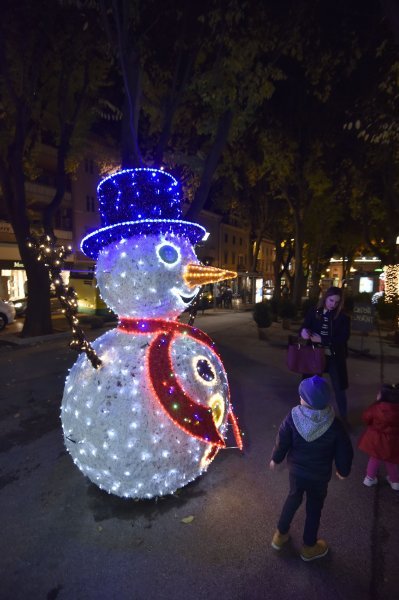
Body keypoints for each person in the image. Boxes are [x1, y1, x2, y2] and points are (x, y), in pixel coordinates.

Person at [270, 375, 353, 561]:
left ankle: (280, 534)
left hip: (297, 473)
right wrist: (343, 470)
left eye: (301, 396)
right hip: (319, 477)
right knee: (314, 509)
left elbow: (282, 440)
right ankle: (309, 547)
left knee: (292, 499)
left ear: (305, 399)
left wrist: (276, 459)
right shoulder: (334, 424)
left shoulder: (292, 417)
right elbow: (344, 450)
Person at [300, 286, 351, 423]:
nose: (333, 304)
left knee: (338, 387)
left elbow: (343, 338)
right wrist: (304, 332)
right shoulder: (314, 312)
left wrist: (323, 339)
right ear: (325, 298)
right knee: (312, 386)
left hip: (334, 357)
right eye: (331, 300)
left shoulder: (343, 318)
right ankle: (310, 416)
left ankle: (344, 418)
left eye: (336, 302)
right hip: (315, 355)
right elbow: (305, 326)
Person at [358, 383, 399, 490]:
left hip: (376, 440)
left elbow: (366, 417)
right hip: (393, 441)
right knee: (391, 461)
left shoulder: (376, 408)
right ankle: (395, 482)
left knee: (374, 458)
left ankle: (369, 478)